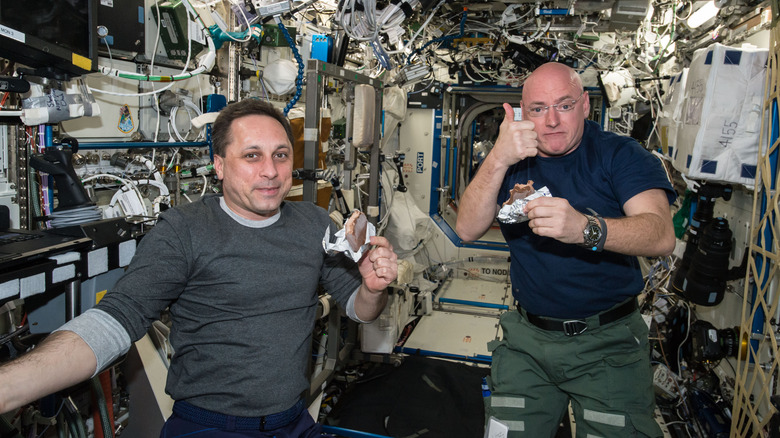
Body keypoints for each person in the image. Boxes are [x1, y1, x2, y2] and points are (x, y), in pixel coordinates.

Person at [0, 99, 398, 437]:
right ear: (219, 165)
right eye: (251, 156)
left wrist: (372, 289)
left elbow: (357, 309)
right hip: (209, 425)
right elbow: (116, 320)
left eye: (280, 154)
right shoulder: (185, 230)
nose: (271, 172)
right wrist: (9, 387)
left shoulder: (314, 223)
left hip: (293, 421)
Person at [456, 62, 676, 437]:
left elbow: (660, 235)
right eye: (539, 109)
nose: (552, 120)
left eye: (564, 105)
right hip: (527, 341)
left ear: (586, 105)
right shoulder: (509, 160)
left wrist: (585, 230)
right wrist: (498, 157)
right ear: (523, 113)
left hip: (608, 345)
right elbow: (466, 228)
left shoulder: (620, 155)